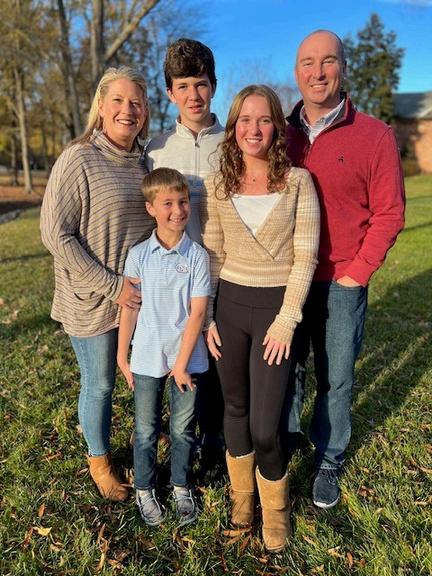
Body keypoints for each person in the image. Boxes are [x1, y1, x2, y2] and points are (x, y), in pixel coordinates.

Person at [285, 30, 405, 509]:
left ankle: (329, 457)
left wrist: (357, 272)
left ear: (343, 68)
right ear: (297, 72)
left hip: (341, 280)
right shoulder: (280, 133)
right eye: (308, 62)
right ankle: (286, 441)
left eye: (328, 61)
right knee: (288, 369)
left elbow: (390, 213)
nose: (318, 72)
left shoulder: (375, 135)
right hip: (287, 278)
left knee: (336, 378)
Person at [201, 85, 320, 552]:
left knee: (266, 426)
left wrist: (287, 319)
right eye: (245, 120)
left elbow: (305, 256)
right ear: (233, 128)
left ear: (277, 127)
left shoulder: (299, 183)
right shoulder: (217, 184)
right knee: (234, 409)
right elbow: (213, 254)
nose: (254, 129)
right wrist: (208, 316)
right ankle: (242, 502)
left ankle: (276, 511)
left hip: (276, 313)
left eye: (264, 119)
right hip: (229, 308)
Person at [40, 66, 155, 501]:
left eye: (136, 102)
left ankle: (146, 434)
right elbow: (55, 234)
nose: (128, 110)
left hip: (136, 298)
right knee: (101, 383)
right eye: (119, 101)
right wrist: (111, 285)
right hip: (90, 296)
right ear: (102, 107)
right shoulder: (79, 158)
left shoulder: (145, 161)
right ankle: (100, 461)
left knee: (144, 372)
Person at [145, 38, 225, 472]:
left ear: (214, 86)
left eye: (201, 84)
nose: (193, 95)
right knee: (179, 359)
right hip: (173, 280)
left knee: (216, 362)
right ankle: (177, 438)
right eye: (183, 86)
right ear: (170, 92)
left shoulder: (233, 142)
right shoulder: (155, 150)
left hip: (224, 274)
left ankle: (214, 441)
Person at [117, 168, 210, 527]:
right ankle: (144, 488)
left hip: (188, 358)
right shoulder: (139, 255)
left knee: (182, 429)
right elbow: (130, 307)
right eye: (168, 203)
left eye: (183, 202)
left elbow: (197, 312)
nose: (178, 210)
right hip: (146, 356)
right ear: (150, 208)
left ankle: (180, 485)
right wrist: (122, 356)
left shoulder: (197, 255)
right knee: (145, 429)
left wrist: (182, 364)